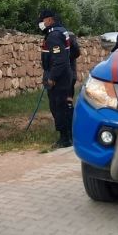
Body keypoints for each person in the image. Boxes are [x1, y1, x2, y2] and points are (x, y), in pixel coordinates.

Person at [39, 9, 74, 147]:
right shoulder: (63, 31)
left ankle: (64, 139)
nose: (41, 23)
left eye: (42, 20)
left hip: (58, 77)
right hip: (66, 74)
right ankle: (70, 136)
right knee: (65, 106)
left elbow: (59, 59)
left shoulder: (53, 35)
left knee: (58, 107)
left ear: (49, 20)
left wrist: (52, 77)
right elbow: (73, 52)